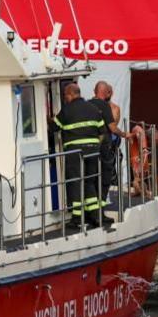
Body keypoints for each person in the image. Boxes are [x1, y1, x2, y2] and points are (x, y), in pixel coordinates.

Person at [48, 83, 108, 228]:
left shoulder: (67, 110)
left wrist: (50, 119)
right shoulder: (94, 109)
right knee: (89, 182)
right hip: (93, 151)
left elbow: (54, 127)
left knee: (75, 182)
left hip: (74, 153)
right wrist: (95, 147)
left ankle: (77, 218)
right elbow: (103, 132)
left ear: (70, 94)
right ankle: (96, 216)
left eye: (65, 95)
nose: (65, 98)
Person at [88, 82, 118, 206]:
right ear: (105, 92)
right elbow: (113, 127)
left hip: (90, 146)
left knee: (91, 177)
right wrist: (125, 134)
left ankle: (92, 207)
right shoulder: (106, 106)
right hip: (104, 146)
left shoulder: (87, 104)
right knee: (105, 176)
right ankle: (100, 205)